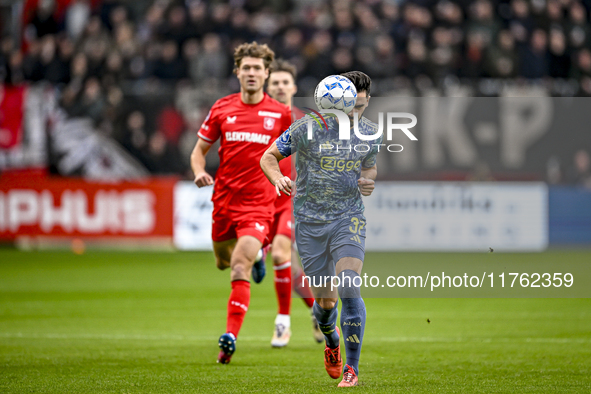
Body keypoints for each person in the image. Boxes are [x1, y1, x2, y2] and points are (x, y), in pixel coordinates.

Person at [260, 71, 380, 387]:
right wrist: (278, 178)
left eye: (362, 106)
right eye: (353, 105)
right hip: (311, 225)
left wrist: (368, 180)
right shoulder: (308, 127)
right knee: (326, 305)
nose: (357, 112)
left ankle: (351, 369)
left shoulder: (369, 133)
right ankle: (331, 339)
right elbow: (269, 156)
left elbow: (370, 163)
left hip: (348, 219)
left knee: (349, 286)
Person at [191, 41, 292, 364]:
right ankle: (259, 255)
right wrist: (198, 171)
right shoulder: (222, 108)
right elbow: (199, 152)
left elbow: (296, 152)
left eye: (257, 68)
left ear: (266, 74)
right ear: (237, 72)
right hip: (223, 200)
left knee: (238, 265)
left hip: (259, 204)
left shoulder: (281, 114)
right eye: (245, 67)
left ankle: (229, 338)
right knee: (222, 262)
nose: (251, 73)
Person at [265, 59, 323, 347]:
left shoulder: (303, 121)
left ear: (293, 87)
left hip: (292, 200)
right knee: (289, 267)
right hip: (258, 201)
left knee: (279, 256)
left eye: (284, 82)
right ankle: (317, 311)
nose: (279, 87)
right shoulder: (255, 116)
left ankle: (283, 323)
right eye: (274, 82)